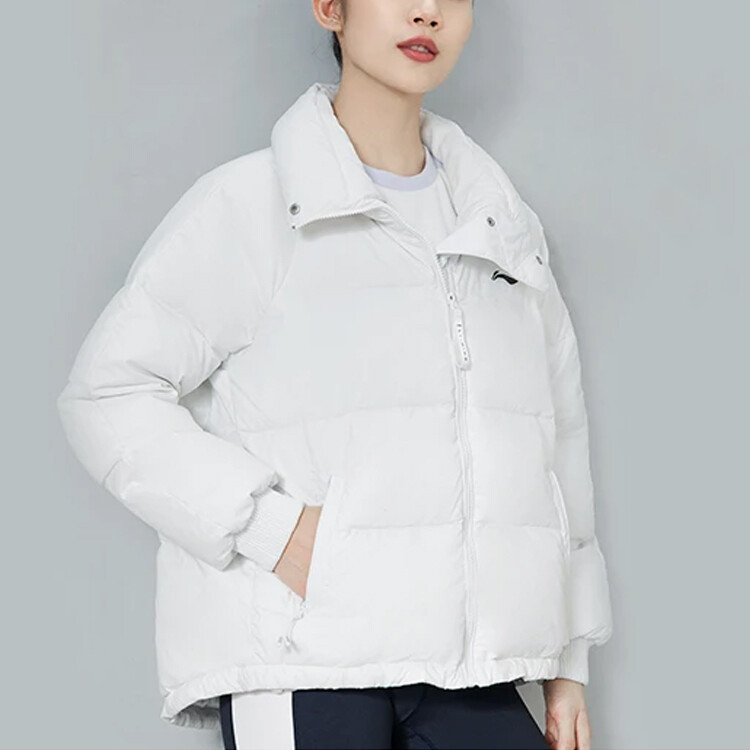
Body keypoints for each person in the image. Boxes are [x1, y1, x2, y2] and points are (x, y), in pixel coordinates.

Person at [56, 0, 614, 748]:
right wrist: (274, 531)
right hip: (303, 661)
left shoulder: (504, 230)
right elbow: (106, 394)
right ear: (330, 9)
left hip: (471, 668)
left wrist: (568, 658)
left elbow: (558, 442)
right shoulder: (249, 207)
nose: (428, 12)